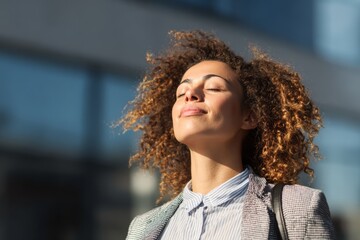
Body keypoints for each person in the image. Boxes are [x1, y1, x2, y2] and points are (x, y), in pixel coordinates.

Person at [120, 30, 335, 239]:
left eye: (213, 87)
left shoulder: (298, 209)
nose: (190, 94)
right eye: (181, 92)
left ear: (249, 116)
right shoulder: (142, 228)